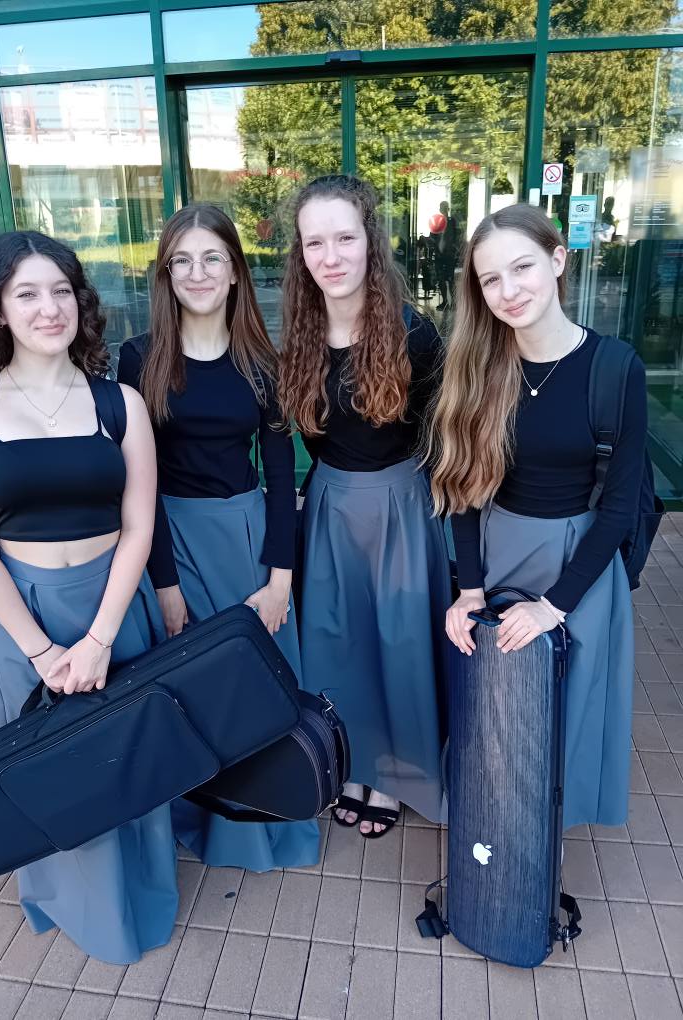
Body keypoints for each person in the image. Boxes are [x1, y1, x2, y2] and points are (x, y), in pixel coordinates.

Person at [0, 231, 179, 963]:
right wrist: (42, 650)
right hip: (25, 618)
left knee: (126, 758)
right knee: (51, 767)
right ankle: (70, 901)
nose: (49, 309)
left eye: (61, 292)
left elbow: (140, 526)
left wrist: (101, 637)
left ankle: (141, 894)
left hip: (114, 608)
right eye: (27, 294)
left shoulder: (119, 403)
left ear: (81, 303)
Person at [431, 203, 646, 830]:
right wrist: (470, 590)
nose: (508, 290)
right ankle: (498, 836)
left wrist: (554, 606)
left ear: (557, 260)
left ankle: (545, 840)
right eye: (490, 279)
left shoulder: (615, 368)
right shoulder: (478, 365)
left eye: (521, 267)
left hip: (579, 564)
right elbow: (463, 489)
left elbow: (619, 509)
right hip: (500, 553)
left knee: (569, 709)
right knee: (498, 707)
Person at [117, 204, 319, 871]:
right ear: (166, 275)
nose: (197, 273)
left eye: (212, 258)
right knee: (191, 690)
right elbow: (138, 484)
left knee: (256, 686)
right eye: (182, 261)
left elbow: (283, 475)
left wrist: (281, 580)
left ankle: (268, 819)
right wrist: (164, 585)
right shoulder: (139, 358)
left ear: (235, 271)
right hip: (169, 539)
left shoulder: (263, 361)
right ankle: (204, 817)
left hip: (247, 540)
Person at [279, 174, 450, 838]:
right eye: (314, 242)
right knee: (337, 645)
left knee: (401, 647)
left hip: (401, 506)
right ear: (300, 252)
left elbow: (442, 437)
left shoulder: (414, 333)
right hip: (329, 506)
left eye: (344, 238)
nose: (331, 256)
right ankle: (352, 761)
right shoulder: (299, 335)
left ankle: (400, 775)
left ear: (370, 242)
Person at [436, 201, 459, 311]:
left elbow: (456, 236)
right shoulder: (437, 222)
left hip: (449, 254)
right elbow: (433, 235)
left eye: (445, 207)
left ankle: (453, 302)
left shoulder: (452, 221)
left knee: (450, 279)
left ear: (448, 209)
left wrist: (455, 249)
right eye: (442, 207)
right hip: (439, 254)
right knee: (441, 279)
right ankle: (445, 301)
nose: (443, 209)